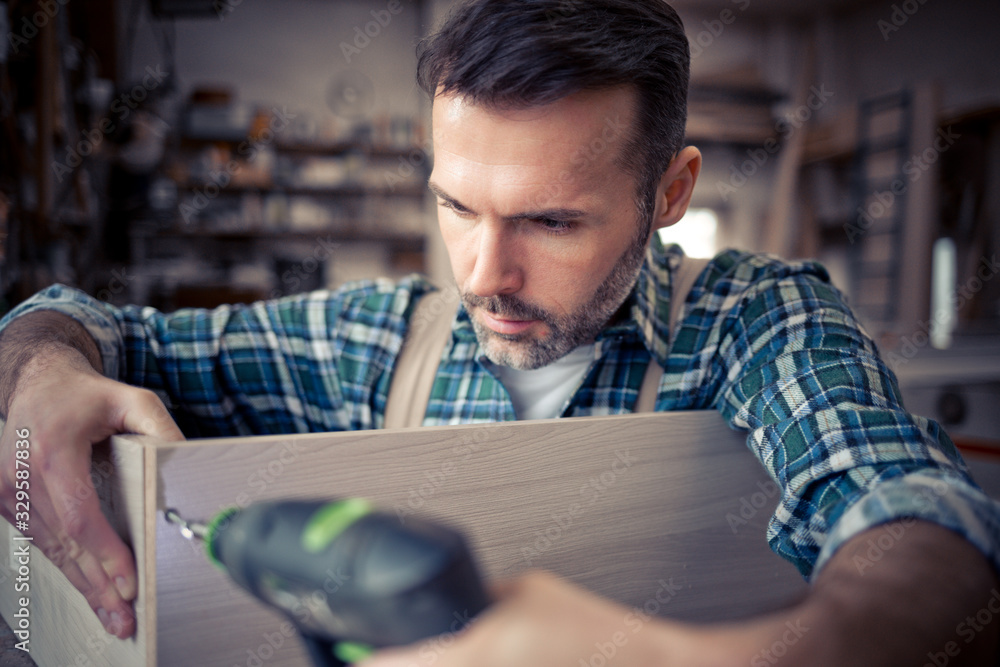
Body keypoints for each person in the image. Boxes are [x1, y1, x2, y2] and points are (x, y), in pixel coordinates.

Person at [1, 0, 997, 663]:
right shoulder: (372, 340)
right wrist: (41, 372)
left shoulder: (755, 319)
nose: (483, 275)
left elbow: (916, 521)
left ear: (670, 191)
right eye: (458, 208)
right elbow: (83, 326)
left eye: (552, 221)